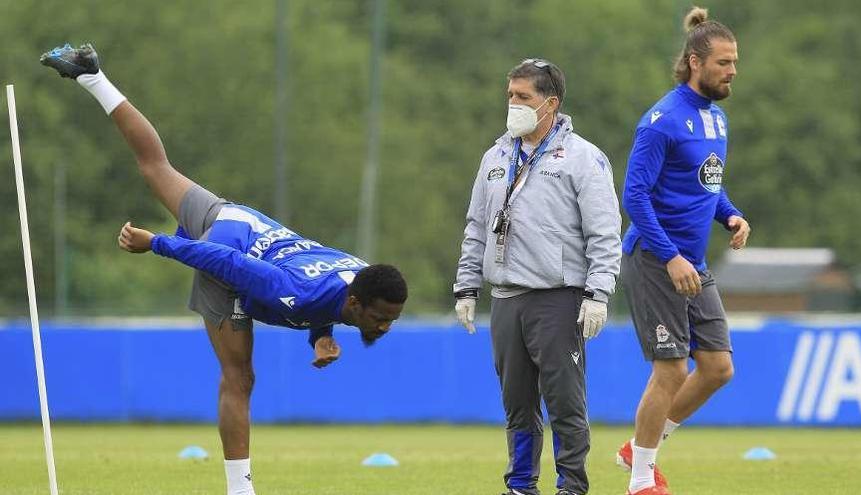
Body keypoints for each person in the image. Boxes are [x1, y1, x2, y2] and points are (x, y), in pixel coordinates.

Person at [41, 43, 408, 495]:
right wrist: (156, 243)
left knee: (156, 167)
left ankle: (90, 74)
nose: (385, 325)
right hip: (231, 255)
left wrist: (320, 335)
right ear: (355, 301)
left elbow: (330, 298)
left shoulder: (360, 277)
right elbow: (228, 263)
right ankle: (240, 490)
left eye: (390, 319)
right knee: (240, 377)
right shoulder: (294, 291)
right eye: (380, 317)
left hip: (239, 219)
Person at [454, 58, 621, 495]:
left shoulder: (584, 158)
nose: (513, 104)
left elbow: (604, 233)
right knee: (517, 405)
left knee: (564, 401)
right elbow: (476, 226)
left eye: (522, 97)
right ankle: (521, 485)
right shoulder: (495, 156)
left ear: (550, 103)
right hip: (506, 297)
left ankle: (571, 486)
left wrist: (598, 293)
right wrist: (467, 286)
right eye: (510, 95)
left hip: (558, 297)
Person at [617, 7, 750, 495]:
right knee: (671, 369)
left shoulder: (717, 119)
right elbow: (634, 196)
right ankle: (640, 480)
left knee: (717, 368)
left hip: (691, 263)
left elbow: (709, 186)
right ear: (696, 62)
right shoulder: (661, 121)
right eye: (724, 63)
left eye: (735, 62)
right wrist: (671, 256)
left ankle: (640, 447)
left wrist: (731, 214)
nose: (733, 71)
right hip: (655, 259)